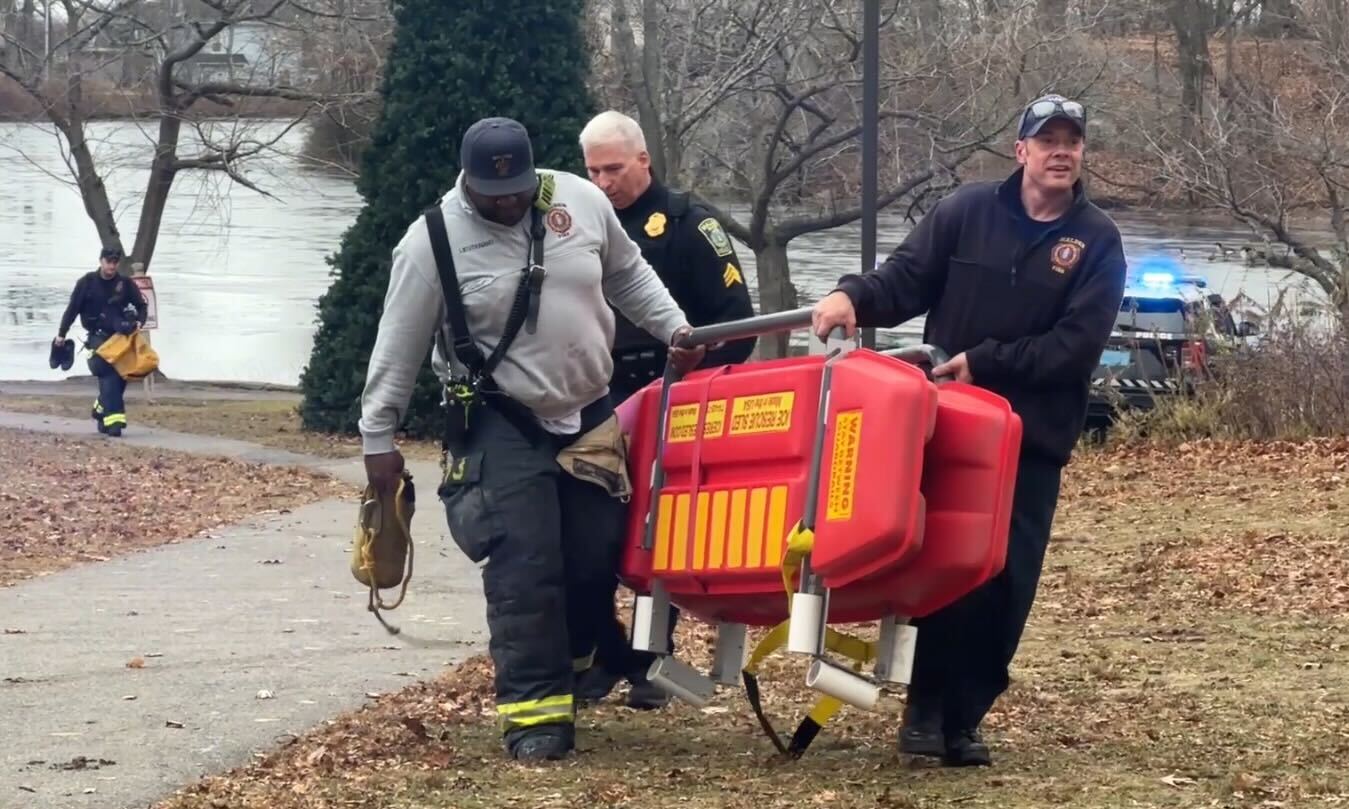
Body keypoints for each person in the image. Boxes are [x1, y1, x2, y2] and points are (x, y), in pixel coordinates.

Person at [357, 116, 705, 763]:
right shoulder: (430, 242)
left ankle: (575, 663)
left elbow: (626, 274)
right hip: (496, 419)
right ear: (467, 184)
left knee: (595, 553)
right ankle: (535, 715)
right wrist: (378, 435)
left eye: (518, 190)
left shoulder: (580, 200)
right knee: (525, 567)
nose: (508, 203)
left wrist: (674, 330)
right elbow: (397, 345)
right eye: (494, 197)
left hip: (589, 411)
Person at [811, 94, 1127, 767]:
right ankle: (924, 708)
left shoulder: (1096, 240)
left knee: (1006, 584)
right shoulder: (964, 211)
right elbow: (904, 280)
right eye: (1047, 141)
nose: (1060, 152)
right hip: (949, 429)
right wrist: (850, 295)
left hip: (1030, 440)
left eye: (1071, 141)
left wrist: (983, 362)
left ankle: (965, 715)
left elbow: (1074, 346)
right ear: (1020, 151)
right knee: (948, 572)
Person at [574, 110, 758, 710]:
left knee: (660, 535)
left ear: (644, 161)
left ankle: (655, 659)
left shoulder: (688, 224)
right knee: (590, 534)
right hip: (595, 396)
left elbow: (737, 323)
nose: (603, 182)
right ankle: (603, 650)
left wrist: (692, 389)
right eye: (593, 170)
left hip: (670, 395)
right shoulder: (572, 225)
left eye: (615, 169)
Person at [54, 247, 148, 437]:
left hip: (121, 338)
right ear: (101, 261)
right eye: (108, 261)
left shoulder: (125, 284)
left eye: (115, 262)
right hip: (97, 338)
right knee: (109, 372)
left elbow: (141, 305)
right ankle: (115, 422)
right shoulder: (86, 283)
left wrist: (139, 321)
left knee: (123, 376)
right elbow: (72, 310)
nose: (111, 265)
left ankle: (100, 409)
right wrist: (61, 335)